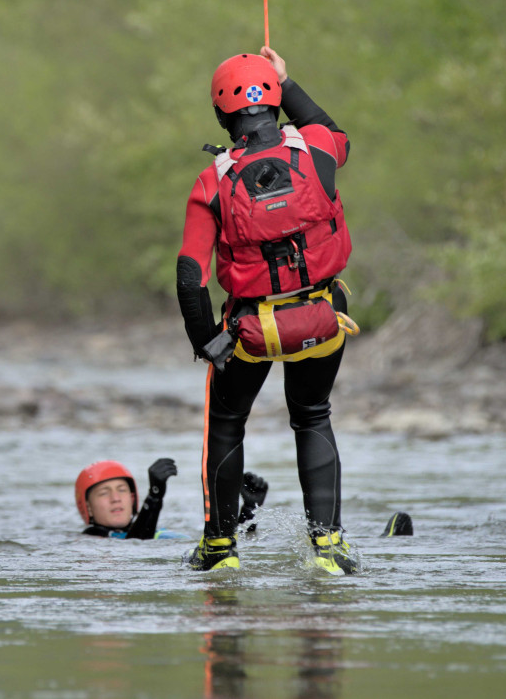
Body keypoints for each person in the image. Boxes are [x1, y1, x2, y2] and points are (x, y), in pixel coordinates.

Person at [176, 46, 359, 574]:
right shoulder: (319, 148)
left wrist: (205, 339)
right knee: (312, 416)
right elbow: (332, 130)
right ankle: (327, 546)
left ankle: (219, 549)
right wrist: (288, 80)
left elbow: (191, 274)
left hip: (250, 330)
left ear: (221, 116)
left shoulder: (211, 182)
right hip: (323, 318)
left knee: (228, 424)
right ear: (274, 102)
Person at [76, 458, 267, 541]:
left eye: (121, 490)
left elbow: (231, 545)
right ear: (88, 508)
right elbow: (136, 544)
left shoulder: (153, 530)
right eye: (104, 493)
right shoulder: (93, 536)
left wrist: (250, 510)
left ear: (133, 499)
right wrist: (155, 495)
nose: (115, 498)